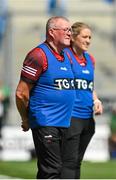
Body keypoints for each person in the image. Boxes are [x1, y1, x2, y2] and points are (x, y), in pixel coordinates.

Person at [15, 16, 76, 179]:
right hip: (46, 122)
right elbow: (21, 93)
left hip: (65, 123)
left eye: (71, 30)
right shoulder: (38, 55)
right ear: (51, 32)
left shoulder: (67, 56)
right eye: (66, 30)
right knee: (51, 171)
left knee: (63, 172)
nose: (70, 33)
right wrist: (26, 118)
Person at [61, 22, 103, 179]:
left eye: (90, 37)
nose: (88, 41)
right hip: (71, 116)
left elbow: (89, 86)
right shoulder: (65, 56)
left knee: (77, 162)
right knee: (69, 162)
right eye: (84, 36)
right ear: (73, 37)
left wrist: (96, 100)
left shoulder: (90, 59)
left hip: (88, 118)